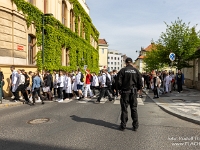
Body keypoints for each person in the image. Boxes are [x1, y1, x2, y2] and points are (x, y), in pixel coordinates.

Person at [117, 58, 143, 131]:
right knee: (134, 109)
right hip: (134, 92)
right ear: (131, 63)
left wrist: (119, 89)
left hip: (125, 92)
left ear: (126, 63)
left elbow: (118, 82)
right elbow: (140, 82)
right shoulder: (136, 71)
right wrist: (138, 89)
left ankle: (123, 125)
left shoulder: (122, 71)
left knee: (124, 109)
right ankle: (135, 126)